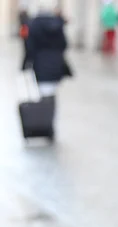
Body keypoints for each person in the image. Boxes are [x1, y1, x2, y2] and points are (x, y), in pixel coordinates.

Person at [22, 0, 71, 136]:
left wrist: (25, 65)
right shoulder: (57, 24)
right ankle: (49, 123)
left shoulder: (34, 25)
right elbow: (64, 44)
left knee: (43, 94)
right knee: (51, 95)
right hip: (55, 65)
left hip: (40, 64)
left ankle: (44, 124)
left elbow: (29, 48)